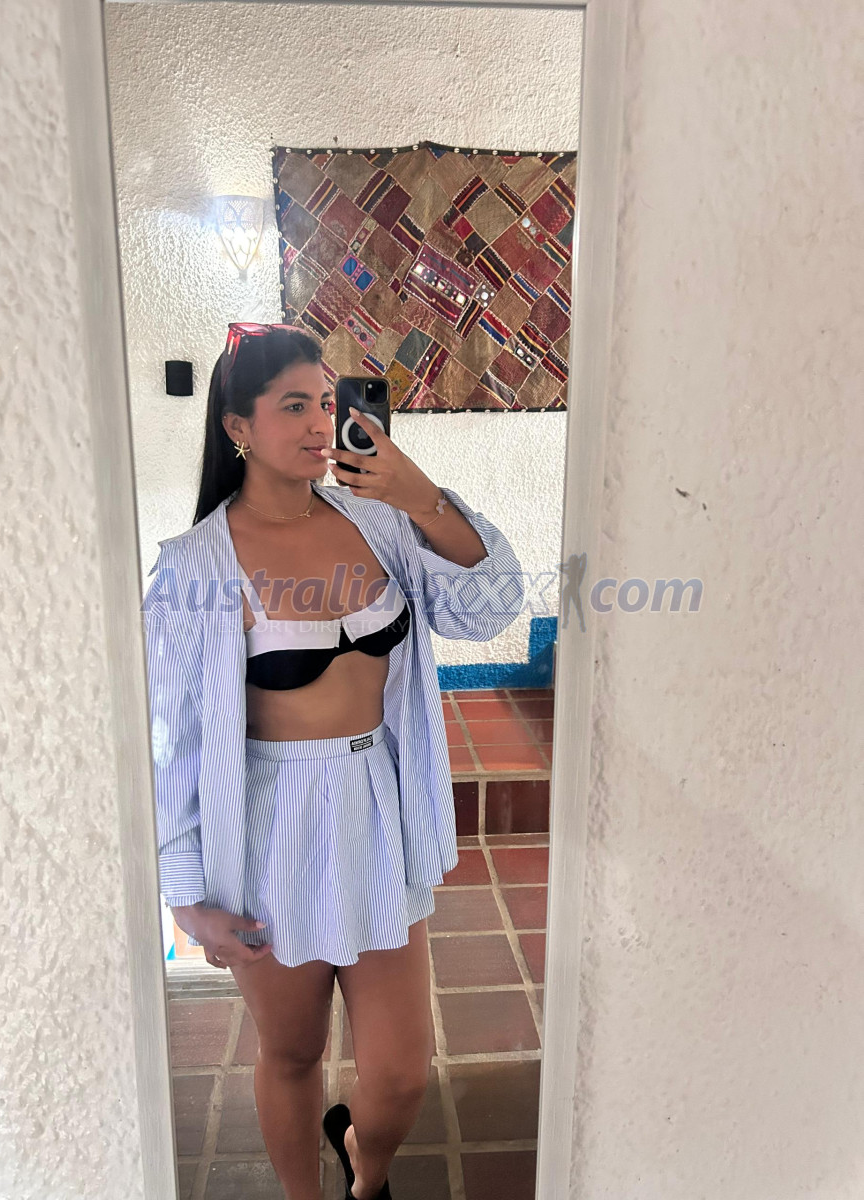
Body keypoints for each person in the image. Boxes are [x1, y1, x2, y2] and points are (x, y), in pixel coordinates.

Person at [141, 322, 524, 1200]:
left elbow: (491, 606)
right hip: (270, 831)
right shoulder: (194, 569)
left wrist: (421, 494)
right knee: (291, 1053)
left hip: (375, 810)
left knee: (400, 1075)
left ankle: (363, 1164)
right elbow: (173, 741)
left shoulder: (382, 524)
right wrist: (187, 896)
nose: (321, 423)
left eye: (326, 401)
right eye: (293, 406)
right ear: (237, 426)